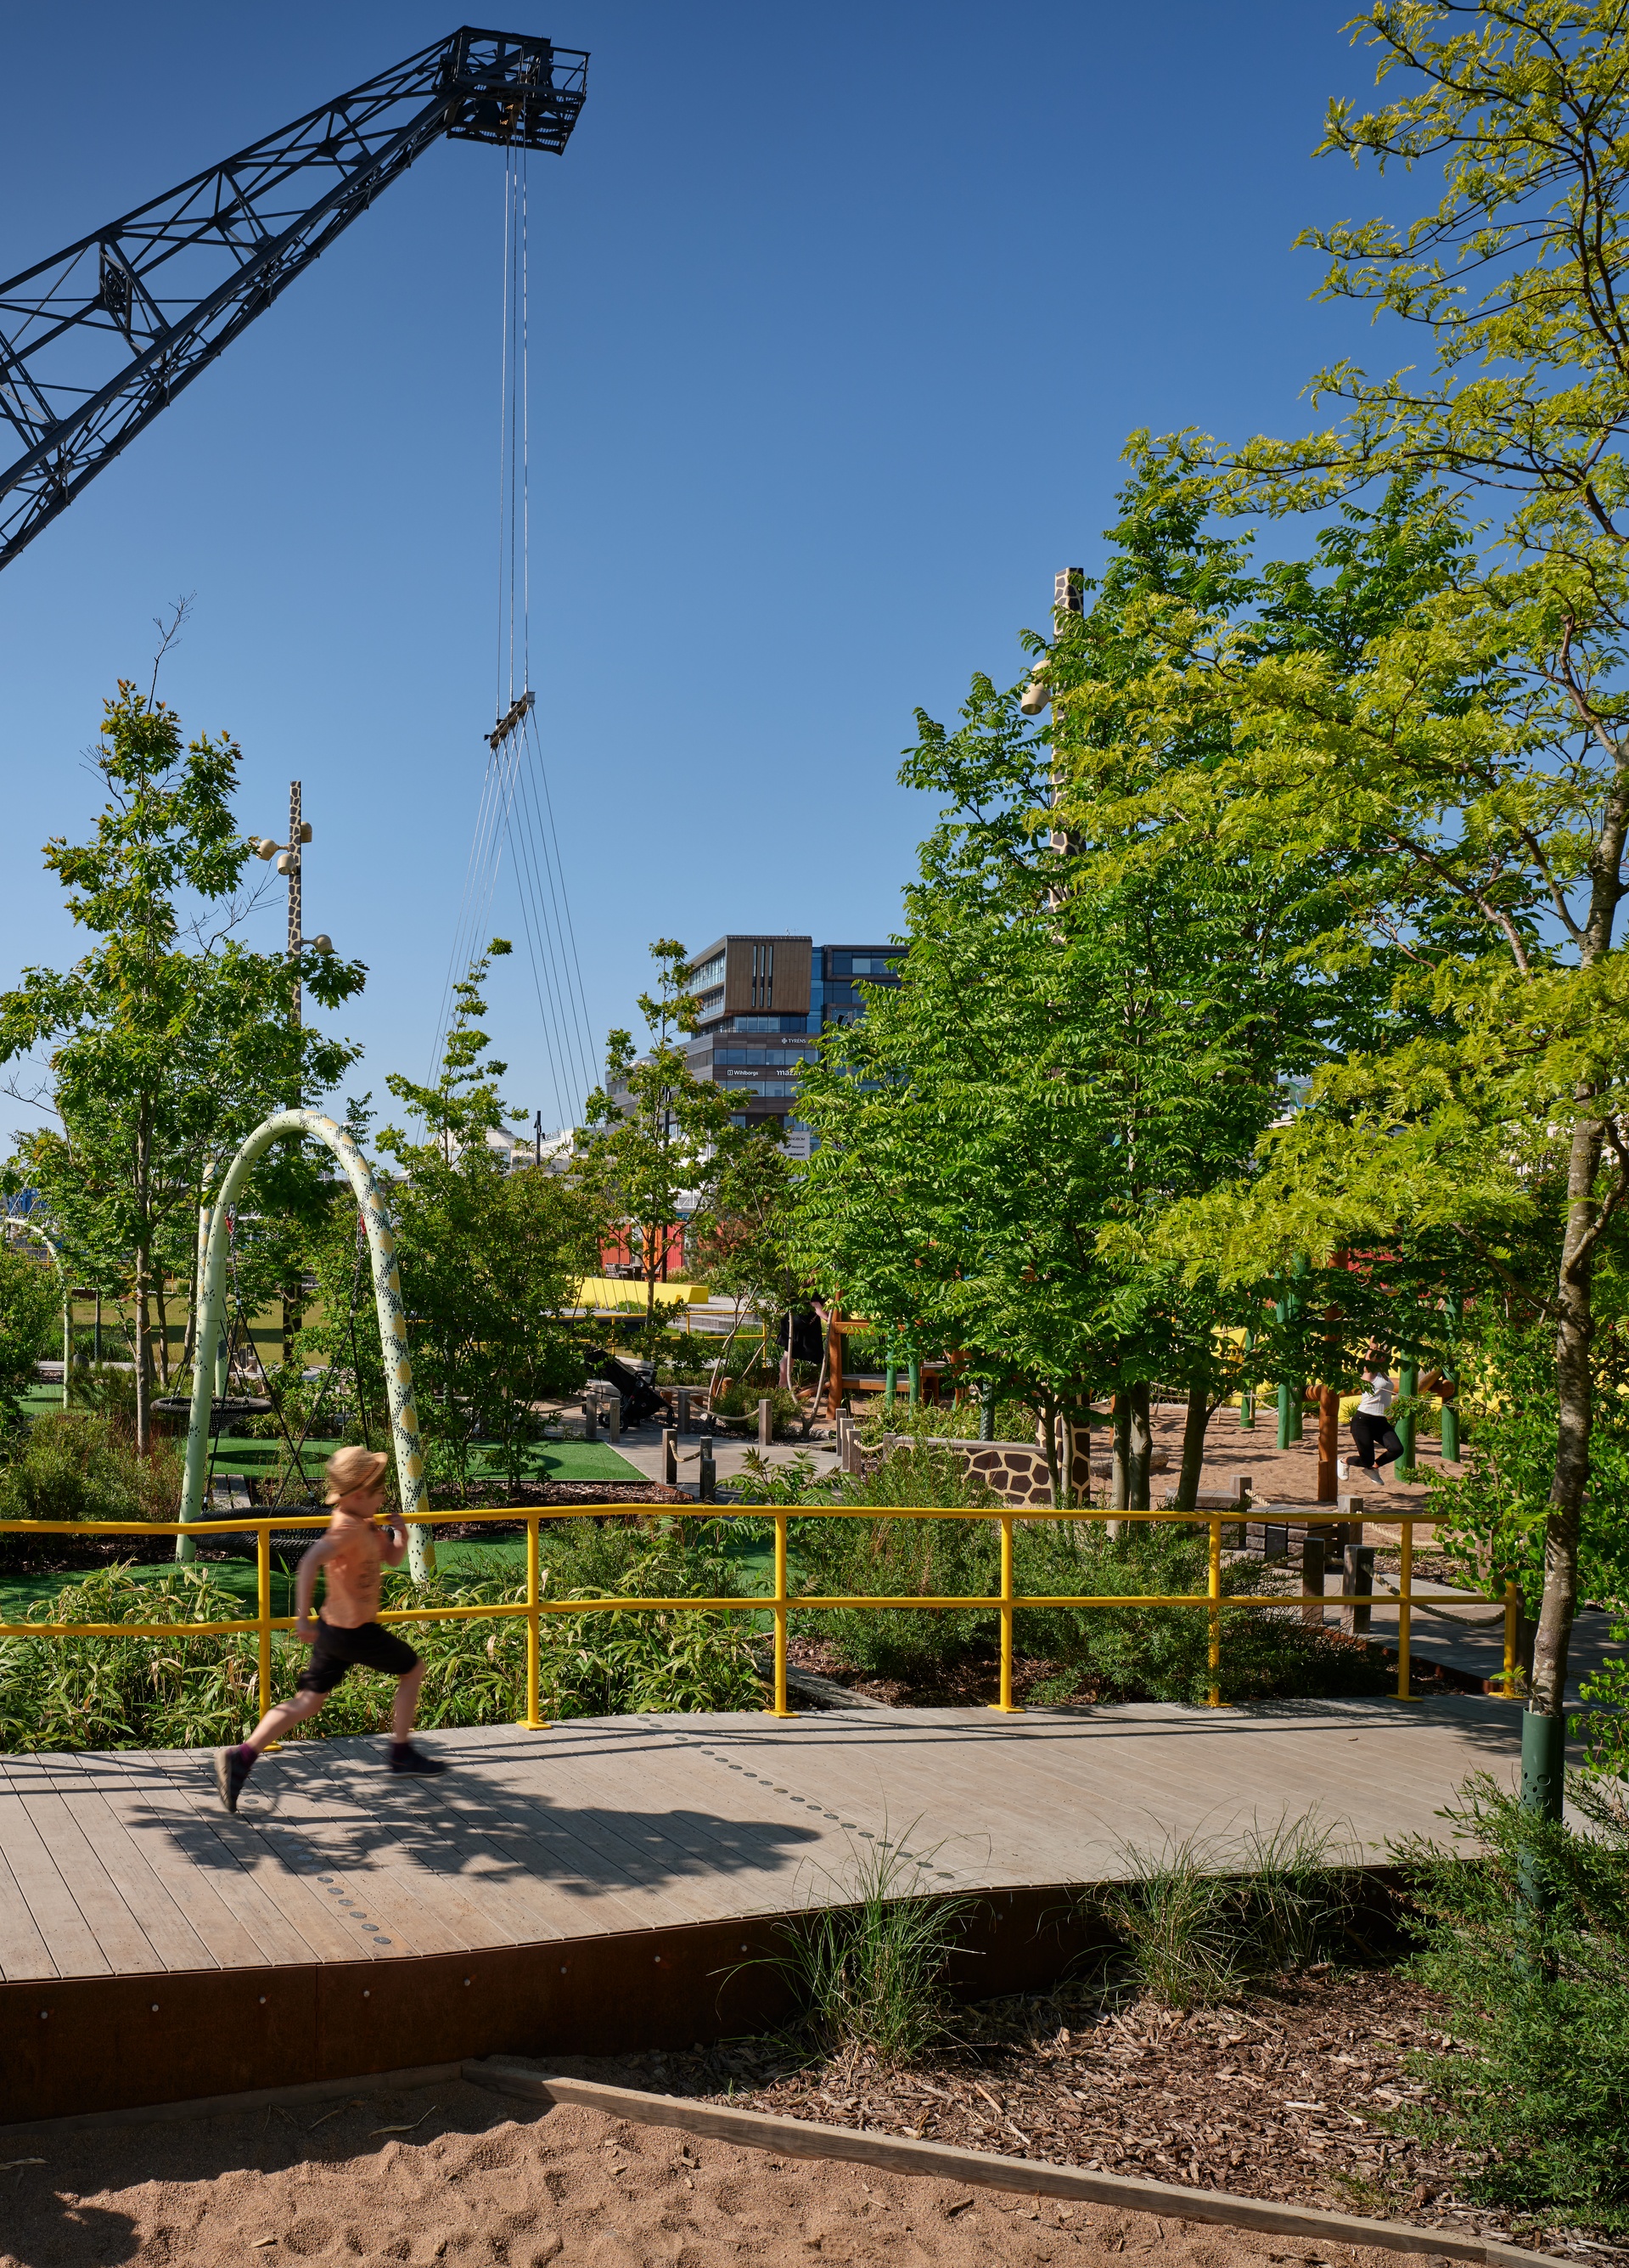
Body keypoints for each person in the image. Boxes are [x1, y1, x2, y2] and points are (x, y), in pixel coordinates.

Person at [214, 1445, 446, 1812]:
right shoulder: (347, 1529)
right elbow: (310, 1561)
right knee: (413, 1669)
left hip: (336, 1630)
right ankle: (401, 1753)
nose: (385, 1496)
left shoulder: (364, 1522)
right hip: (353, 1632)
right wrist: (301, 1615)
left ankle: (241, 1757)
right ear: (358, 1495)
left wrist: (399, 1536)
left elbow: (392, 1558)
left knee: (308, 1701)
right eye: (380, 1491)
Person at [1345, 1347, 1404, 1487]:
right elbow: (1369, 1360)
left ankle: (1373, 1469)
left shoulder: (1384, 1374)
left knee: (1397, 1449)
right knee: (1366, 1460)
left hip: (1380, 1421)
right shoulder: (1369, 1374)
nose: (1383, 1358)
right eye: (1379, 1355)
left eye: (1385, 1355)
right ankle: (1345, 1461)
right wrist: (1373, 1344)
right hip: (1363, 1420)